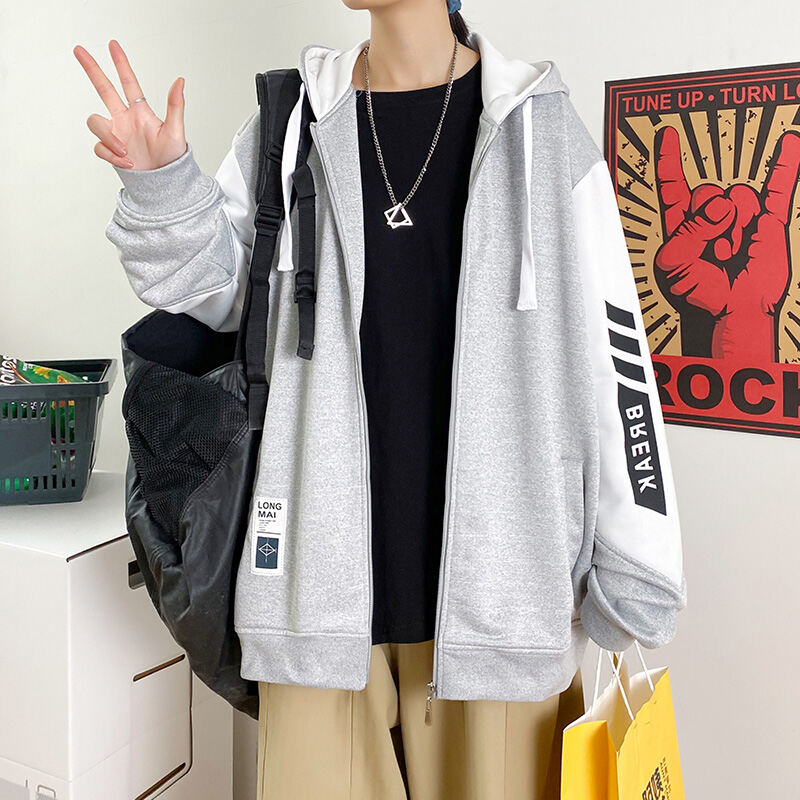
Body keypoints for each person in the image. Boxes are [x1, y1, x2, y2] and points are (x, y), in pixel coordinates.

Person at [74, 1, 687, 797]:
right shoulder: (292, 121)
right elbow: (217, 297)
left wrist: (637, 560)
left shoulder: (542, 132)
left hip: (500, 607)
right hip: (312, 598)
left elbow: (615, 361)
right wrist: (162, 184)